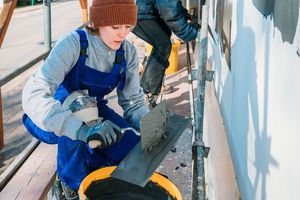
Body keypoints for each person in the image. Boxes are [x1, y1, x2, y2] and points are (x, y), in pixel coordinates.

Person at [21, 0, 148, 199]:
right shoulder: (74, 44)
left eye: (128, 26)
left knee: (131, 148)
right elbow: (33, 94)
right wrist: (81, 129)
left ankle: (97, 178)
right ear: (97, 22)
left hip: (93, 109)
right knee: (79, 118)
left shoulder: (127, 53)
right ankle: (67, 187)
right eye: (115, 26)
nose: (123, 34)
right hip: (53, 114)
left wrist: (149, 126)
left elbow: (134, 101)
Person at [132, 0, 199, 108]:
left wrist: (185, 14)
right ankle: (147, 91)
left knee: (163, 38)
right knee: (163, 45)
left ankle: (151, 85)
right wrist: (192, 34)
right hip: (139, 14)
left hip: (143, 10)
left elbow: (172, 5)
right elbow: (170, 12)